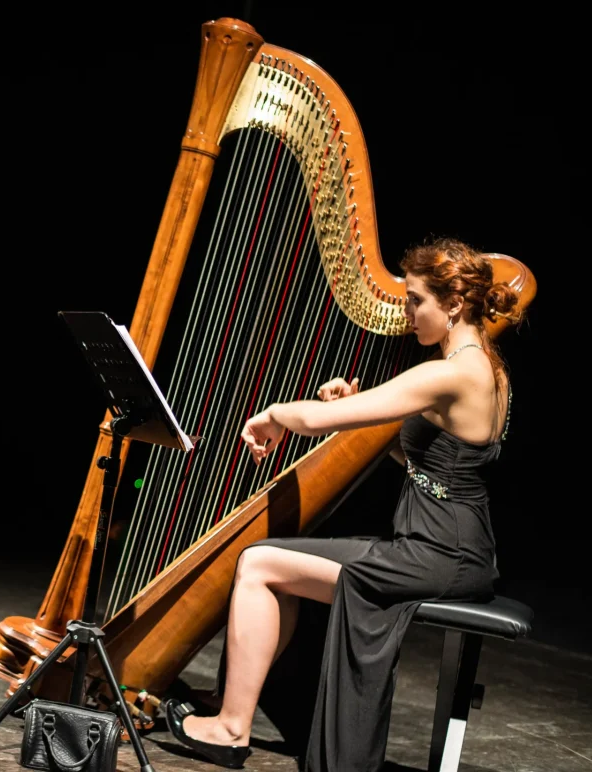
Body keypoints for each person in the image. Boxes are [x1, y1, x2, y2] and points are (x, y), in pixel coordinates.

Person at [160, 237, 524, 770]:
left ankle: (230, 727)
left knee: (258, 563)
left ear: (452, 304)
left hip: (437, 555)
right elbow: (432, 464)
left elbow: (317, 422)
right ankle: (237, 708)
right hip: (454, 550)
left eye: (415, 301)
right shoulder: (488, 368)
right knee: (273, 559)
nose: (406, 314)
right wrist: (352, 405)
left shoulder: (450, 372)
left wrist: (276, 413)